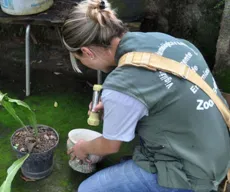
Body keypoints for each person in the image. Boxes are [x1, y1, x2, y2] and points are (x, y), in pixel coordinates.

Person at [62, 0, 230, 191]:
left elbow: (110, 145)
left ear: (87, 52)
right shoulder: (163, 40)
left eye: (80, 60)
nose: (85, 64)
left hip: (194, 174)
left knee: (88, 189)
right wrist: (116, 109)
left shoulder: (121, 84)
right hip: (217, 151)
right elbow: (163, 96)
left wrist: (82, 148)